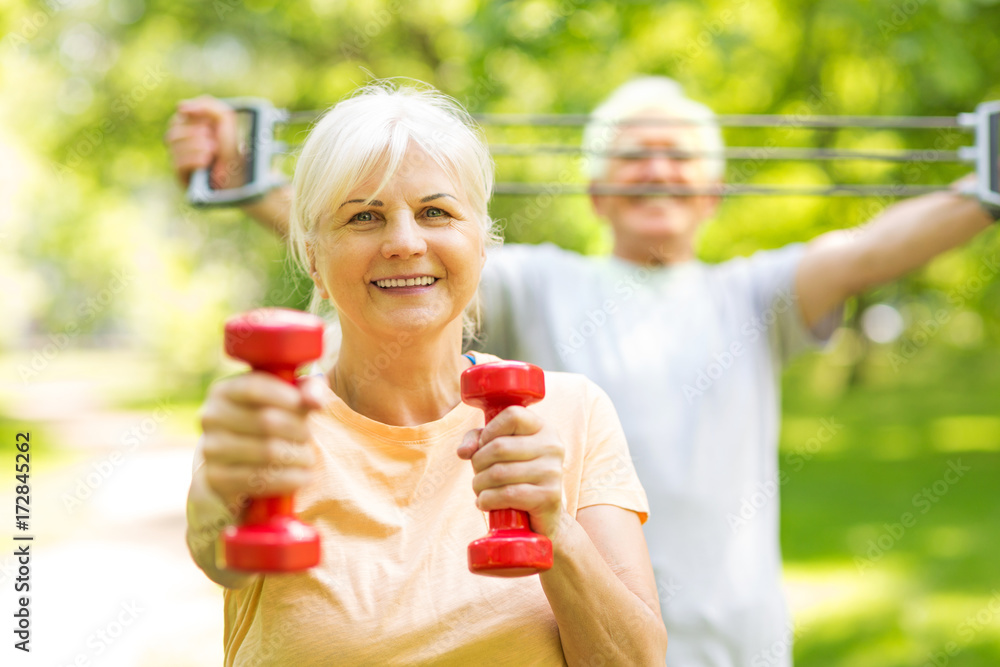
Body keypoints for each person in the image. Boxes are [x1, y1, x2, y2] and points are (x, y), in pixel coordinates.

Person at [169, 77, 996, 666]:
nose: (657, 170)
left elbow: (869, 252)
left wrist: (986, 187)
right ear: (596, 189)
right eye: (634, 155)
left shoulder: (752, 295)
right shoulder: (544, 281)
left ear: (714, 189)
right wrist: (248, 184)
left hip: (730, 639)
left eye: (679, 156)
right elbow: (392, 250)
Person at [183, 81, 667, 666]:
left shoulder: (571, 412)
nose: (405, 242)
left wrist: (556, 530)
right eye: (364, 217)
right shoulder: (272, 419)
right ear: (312, 255)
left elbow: (636, 662)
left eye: (435, 212)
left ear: (482, 244)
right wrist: (220, 490)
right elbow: (217, 555)